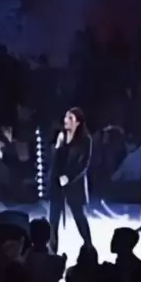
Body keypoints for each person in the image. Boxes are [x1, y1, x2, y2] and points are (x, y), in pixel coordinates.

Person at [49, 107, 92, 254]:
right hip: (57, 184)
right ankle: (52, 252)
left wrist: (69, 177)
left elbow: (83, 164)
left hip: (74, 184)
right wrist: (58, 146)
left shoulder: (85, 140)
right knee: (53, 220)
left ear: (78, 122)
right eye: (66, 117)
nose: (66, 120)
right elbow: (55, 162)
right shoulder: (61, 135)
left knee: (79, 217)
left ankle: (89, 247)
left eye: (70, 118)